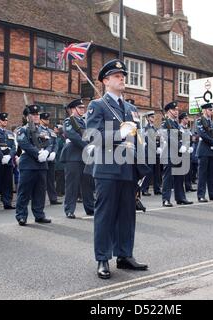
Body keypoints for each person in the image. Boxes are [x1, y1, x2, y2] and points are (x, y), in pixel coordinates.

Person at [87, 59, 148, 280]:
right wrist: (118, 135)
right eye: (116, 76)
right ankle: (103, 258)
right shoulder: (98, 106)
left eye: (123, 76)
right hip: (108, 169)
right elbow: (91, 136)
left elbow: (139, 139)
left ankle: (124, 255)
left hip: (129, 169)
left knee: (127, 215)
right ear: (105, 81)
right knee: (105, 216)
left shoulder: (131, 108)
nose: (122, 78)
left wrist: (142, 168)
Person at [15, 105, 53, 226]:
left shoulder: (44, 130)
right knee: (24, 192)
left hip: (42, 165)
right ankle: (21, 215)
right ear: (27, 117)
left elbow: (50, 142)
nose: (36, 116)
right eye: (33, 115)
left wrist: (47, 151)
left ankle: (39, 214)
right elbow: (24, 143)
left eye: (37, 114)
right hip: (28, 164)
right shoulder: (23, 130)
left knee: (40, 192)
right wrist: (37, 153)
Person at [61, 99, 94, 219]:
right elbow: (72, 135)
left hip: (86, 157)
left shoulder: (86, 122)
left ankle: (90, 208)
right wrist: (86, 146)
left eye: (83, 108)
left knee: (88, 184)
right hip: (73, 156)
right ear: (73, 109)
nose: (82, 109)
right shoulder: (69, 121)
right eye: (79, 108)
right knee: (72, 185)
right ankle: (69, 209)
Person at [160, 102, 194, 207]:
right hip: (169, 153)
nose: (176, 112)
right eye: (174, 110)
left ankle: (180, 198)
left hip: (178, 153)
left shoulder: (176, 124)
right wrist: (180, 147)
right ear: (169, 111)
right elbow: (169, 138)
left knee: (179, 176)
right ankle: (166, 199)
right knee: (168, 177)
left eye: (177, 110)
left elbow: (181, 137)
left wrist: (187, 147)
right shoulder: (165, 123)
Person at [196, 103, 213, 203]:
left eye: (212, 110)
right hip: (203, 150)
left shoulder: (212, 123)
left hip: (212, 151)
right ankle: (201, 195)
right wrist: (212, 143)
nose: (211, 111)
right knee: (202, 174)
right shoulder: (199, 121)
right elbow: (202, 134)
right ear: (204, 110)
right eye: (209, 110)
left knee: (212, 174)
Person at [40, 112, 62, 205]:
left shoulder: (51, 131)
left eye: (48, 119)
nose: (47, 121)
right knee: (42, 180)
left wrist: (53, 152)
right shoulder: (38, 130)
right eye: (46, 119)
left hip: (51, 158)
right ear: (41, 120)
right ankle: (40, 199)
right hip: (43, 157)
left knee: (51, 180)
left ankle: (53, 198)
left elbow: (55, 143)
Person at [141, 111, 162, 196]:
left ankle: (157, 189)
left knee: (157, 172)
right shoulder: (145, 129)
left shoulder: (156, 129)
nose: (154, 118)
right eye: (152, 117)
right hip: (148, 152)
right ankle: (144, 189)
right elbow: (145, 141)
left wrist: (159, 147)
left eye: (154, 117)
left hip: (156, 152)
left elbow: (158, 139)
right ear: (148, 118)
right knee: (148, 171)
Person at [179, 112, 197, 193]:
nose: (187, 120)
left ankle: (188, 186)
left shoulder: (187, 129)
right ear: (182, 119)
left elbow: (191, 139)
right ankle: (180, 187)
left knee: (188, 170)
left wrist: (191, 146)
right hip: (181, 151)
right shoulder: (179, 128)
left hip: (187, 151)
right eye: (186, 118)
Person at [54, 124, 66, 197]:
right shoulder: (60, 138)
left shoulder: (61, 138)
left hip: (60, 160)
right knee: (59, 177)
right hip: (59, 160)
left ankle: (61, 191)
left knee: (61, 177)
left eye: (56, 128)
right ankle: (59, 191)